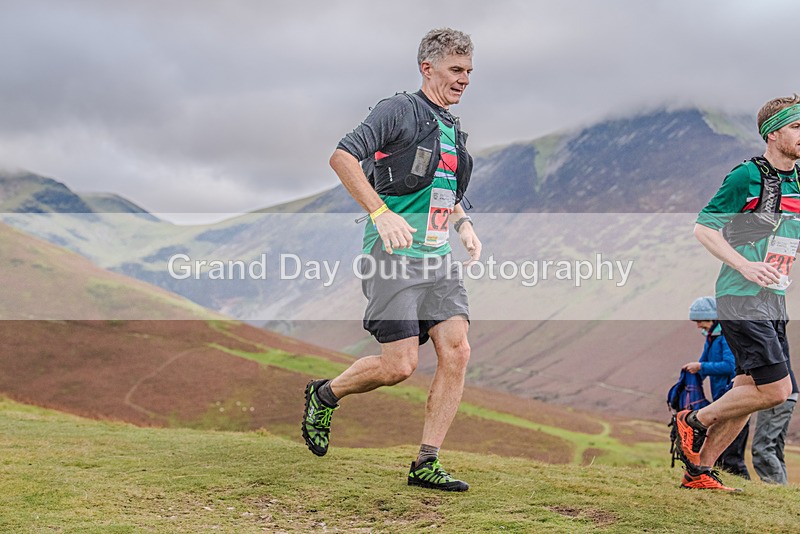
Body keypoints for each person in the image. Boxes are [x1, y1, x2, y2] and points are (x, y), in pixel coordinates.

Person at [301, 28, 480, 492]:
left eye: (469, 72)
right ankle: (324, 395)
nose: (464, 80)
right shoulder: (398, 110)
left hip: (437, 259)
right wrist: (380, 214)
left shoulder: (452, 127)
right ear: (428, 67)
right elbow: (342, 157)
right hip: (391, 259)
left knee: (457, 351)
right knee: (399, 367)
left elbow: (442, 187)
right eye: (456, 70)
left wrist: (463, 226)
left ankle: (426, 462)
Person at [677, 94, 800, 491]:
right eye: (797, 126)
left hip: (774, 297)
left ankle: (700, 472)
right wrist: (744, 264)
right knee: (778, 391)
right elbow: (704, 227)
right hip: (739, 295)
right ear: (773, 132)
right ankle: (693, 420)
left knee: (748, 388)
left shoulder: (798, 180)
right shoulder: (745, 176)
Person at [682, 296, 749, 479]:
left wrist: (701, 367)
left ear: (713, 318)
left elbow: (730, 365)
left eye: (700, 321)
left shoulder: (726, 337)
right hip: (721, 401)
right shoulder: (712, 338)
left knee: (732, 456)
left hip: (734, 400)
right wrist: (690, 377)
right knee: (722, 455)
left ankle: (744, 484)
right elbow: (704, 362)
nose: (698, 326)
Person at [751, 364, 797, 484]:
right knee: (775, 449)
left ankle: (777, 490)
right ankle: (783, 491)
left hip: (776, 393)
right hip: (788, 392)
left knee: (762, 448)